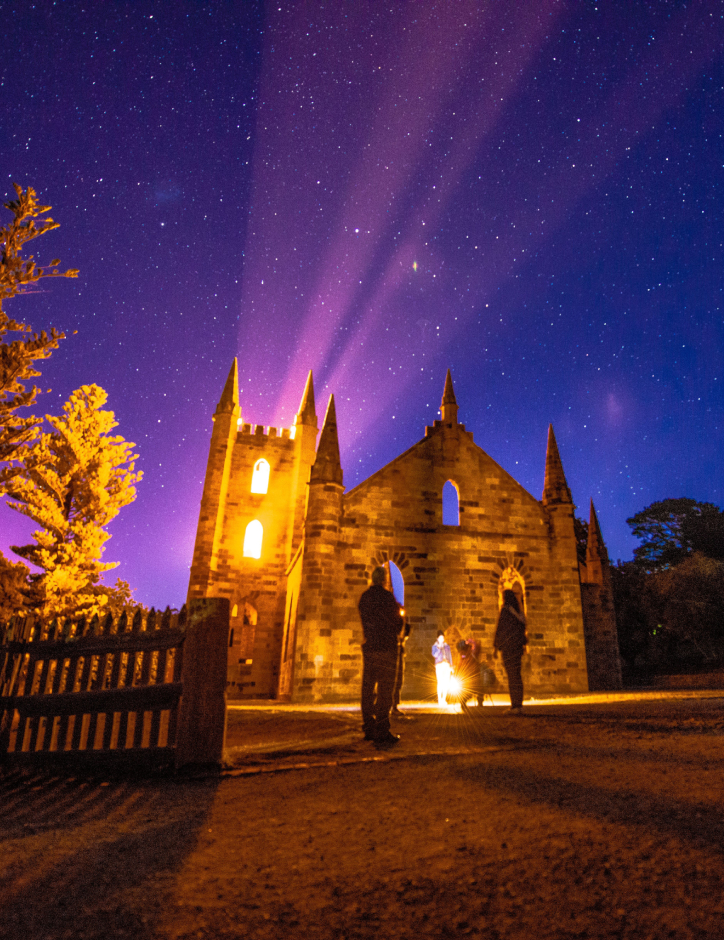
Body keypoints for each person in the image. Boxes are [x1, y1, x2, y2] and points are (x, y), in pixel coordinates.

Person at [358, 566, 404, 747]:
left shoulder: (364, 598)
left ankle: (369, 727)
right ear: (384, 580)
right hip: (386, 648)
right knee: (385, 690)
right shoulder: (387, 598)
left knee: (368, 688)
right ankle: (382, 729)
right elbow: (397, 622)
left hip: (370, 647)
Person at [493, 590, 528, 713]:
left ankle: (515, 705)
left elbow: (500, 630)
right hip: (517, 649)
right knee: (517, 676)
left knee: (512, 677)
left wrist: (496, 647)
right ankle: (519, 704)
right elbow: (522, 629)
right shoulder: (519, 613)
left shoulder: (506, 611)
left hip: (509, 649)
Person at [391, 614, 412, 719]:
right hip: (391, 654)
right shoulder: (390, 627)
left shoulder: (402, 626)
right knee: (391, 681)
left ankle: (394, 706)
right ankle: (388, 707)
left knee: (398, 681)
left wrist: (404, 622)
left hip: (399, 654)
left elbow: (406, 632)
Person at [455, 639, 481, 713]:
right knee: (464, 690)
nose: (462, 652)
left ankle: (480, 701)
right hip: (465, 677)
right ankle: (463, 702)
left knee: (477, 687)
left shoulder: (472, 653)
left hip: (473, 677)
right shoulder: (461, 656)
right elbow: (459, 665)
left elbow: (476, 646)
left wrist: (470, 641)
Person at [431, 632, 453, 706]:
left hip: (446, 664)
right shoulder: (435, 646)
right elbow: (435, 655)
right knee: (440, 682)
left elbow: (449, 656)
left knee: (446, 682)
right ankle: (440, 699)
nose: (441, 639)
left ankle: (444, 699)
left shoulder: (447, 646)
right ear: (437, 638)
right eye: (440, 638)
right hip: (439, 665)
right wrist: (438, 648)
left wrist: (451, 666)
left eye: (442, 638)